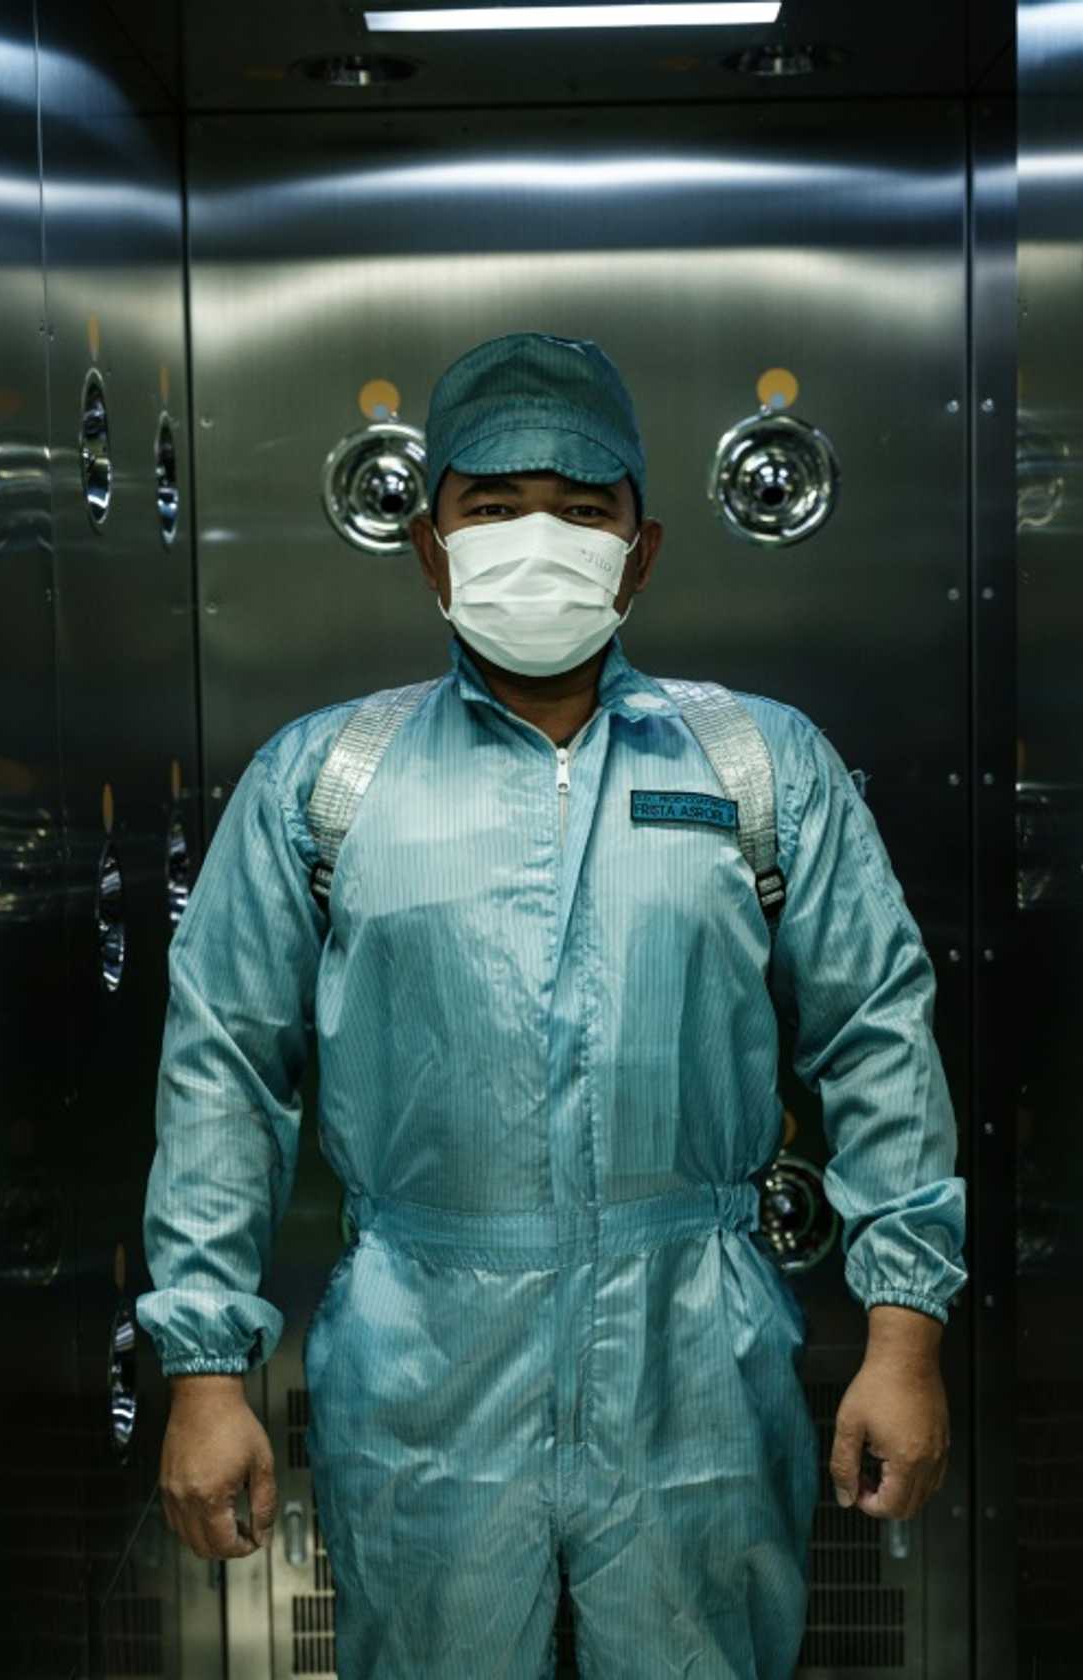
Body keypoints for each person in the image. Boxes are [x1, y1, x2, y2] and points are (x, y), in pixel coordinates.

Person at [137, 331, 968, 1679]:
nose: (540, 539)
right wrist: (204, 1369)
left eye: (584, 512)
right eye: (494, 508)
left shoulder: (759, 764)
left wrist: (905, 1335)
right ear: (430, 545)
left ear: (640, 552)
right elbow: (224, 1067)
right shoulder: (329, 780)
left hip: (692, 1356)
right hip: (423, 1369)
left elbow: (878, 1030)